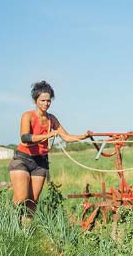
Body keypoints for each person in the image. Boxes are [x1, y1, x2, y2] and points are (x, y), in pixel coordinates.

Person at [8, 80, 88, 222]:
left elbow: (66, 137)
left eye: (48, 101)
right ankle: (10, 222)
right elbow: (25, 137)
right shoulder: (27, 116)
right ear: (35, 100)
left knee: (32, 201)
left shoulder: (52, 119)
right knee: (21, 198)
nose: (46, 104)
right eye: (42, 100)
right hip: (23, 159)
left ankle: (26, 231)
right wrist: (47, 135)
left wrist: (84, 136)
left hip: (40, 162)